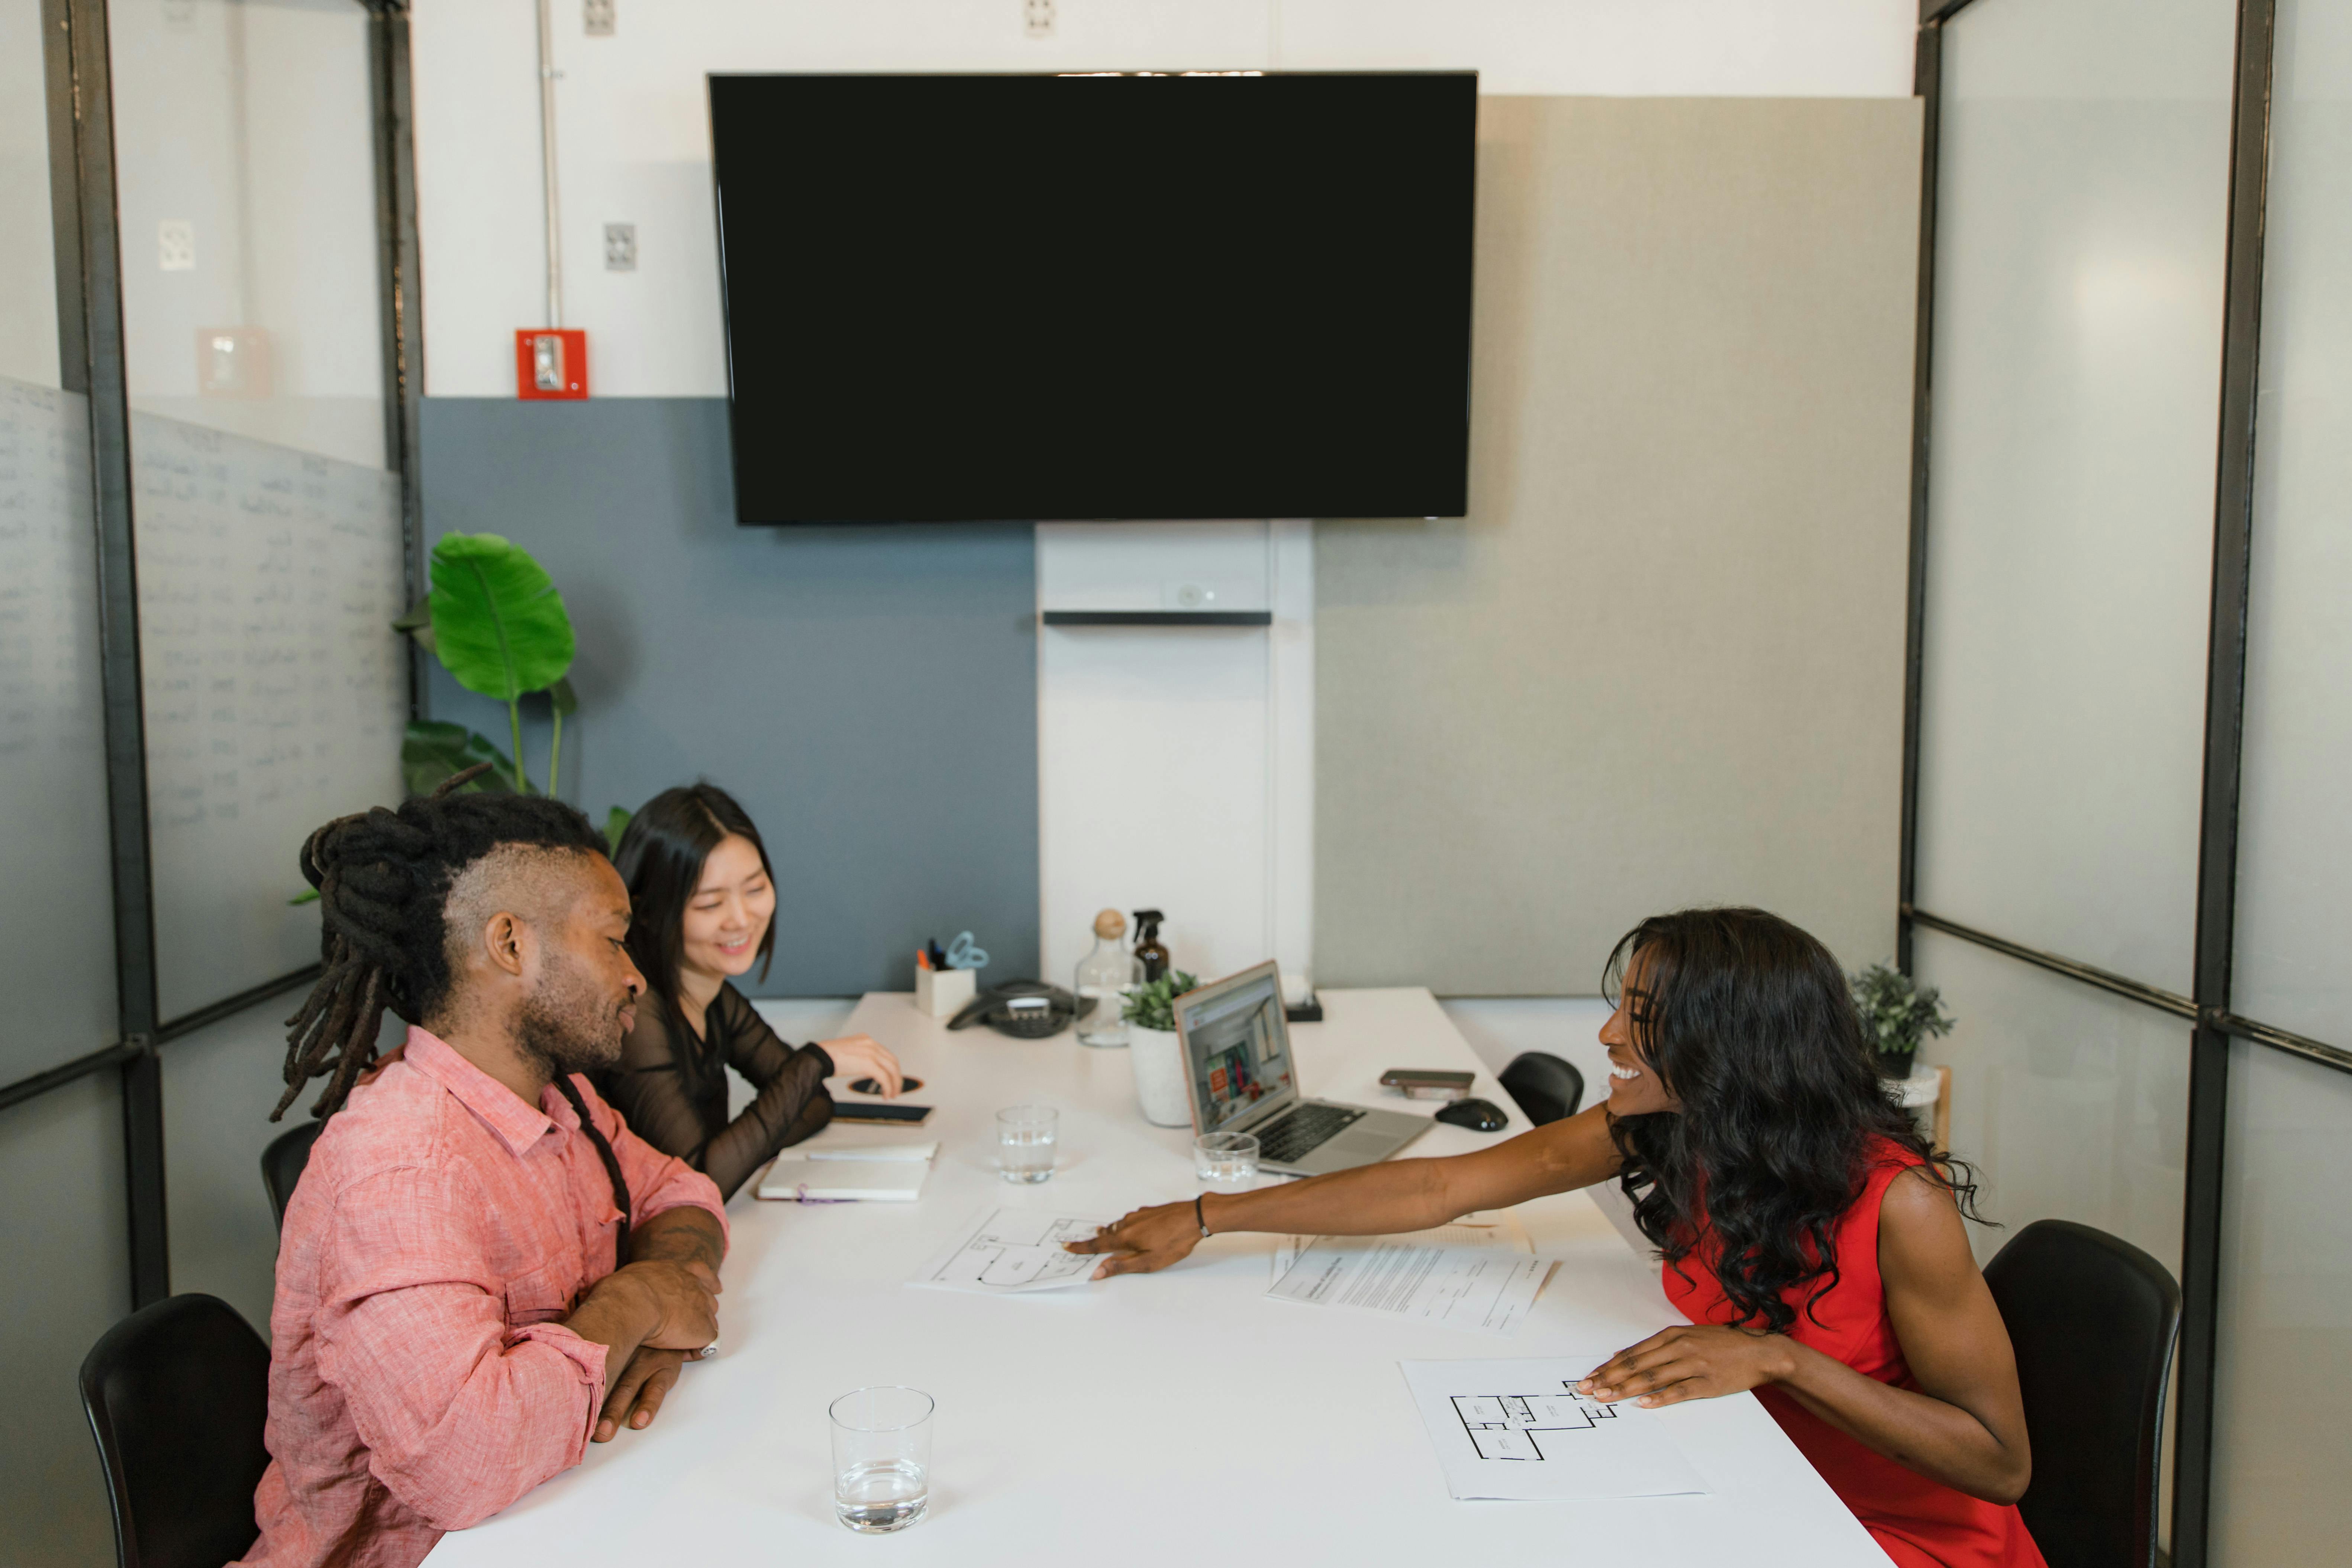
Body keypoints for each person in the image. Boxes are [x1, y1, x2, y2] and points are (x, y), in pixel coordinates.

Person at [1071, 907, 2045, 1568]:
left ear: (1732, 1047)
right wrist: (1207, 1215)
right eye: (1620, 1006)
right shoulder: (1672, 1125)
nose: (1607, 1037)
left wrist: (1780, 1360)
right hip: (1728, 1469)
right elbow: (1438, 1184)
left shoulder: (1897, 1205)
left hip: (1872, 1536)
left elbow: (1999, 1464)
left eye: (1643, 1019)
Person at [239, 771, 729, 1568]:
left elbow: (679, 1193)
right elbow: (465, 1463)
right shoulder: (402, 1169)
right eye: (612, 939)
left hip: (568, 1516)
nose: (635, 973)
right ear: (509, 944)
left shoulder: (559, 1100)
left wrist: (672, 1279)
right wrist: (636, 1301)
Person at [603, 783, 905, 1200]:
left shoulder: (712, 996)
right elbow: (699, 1180)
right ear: (650, 911)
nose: (742, 919)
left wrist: (739, 1150)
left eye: (756, 889)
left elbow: (814, 1103)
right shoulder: (635, 1013)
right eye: (711, 904)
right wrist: (816, 1060)